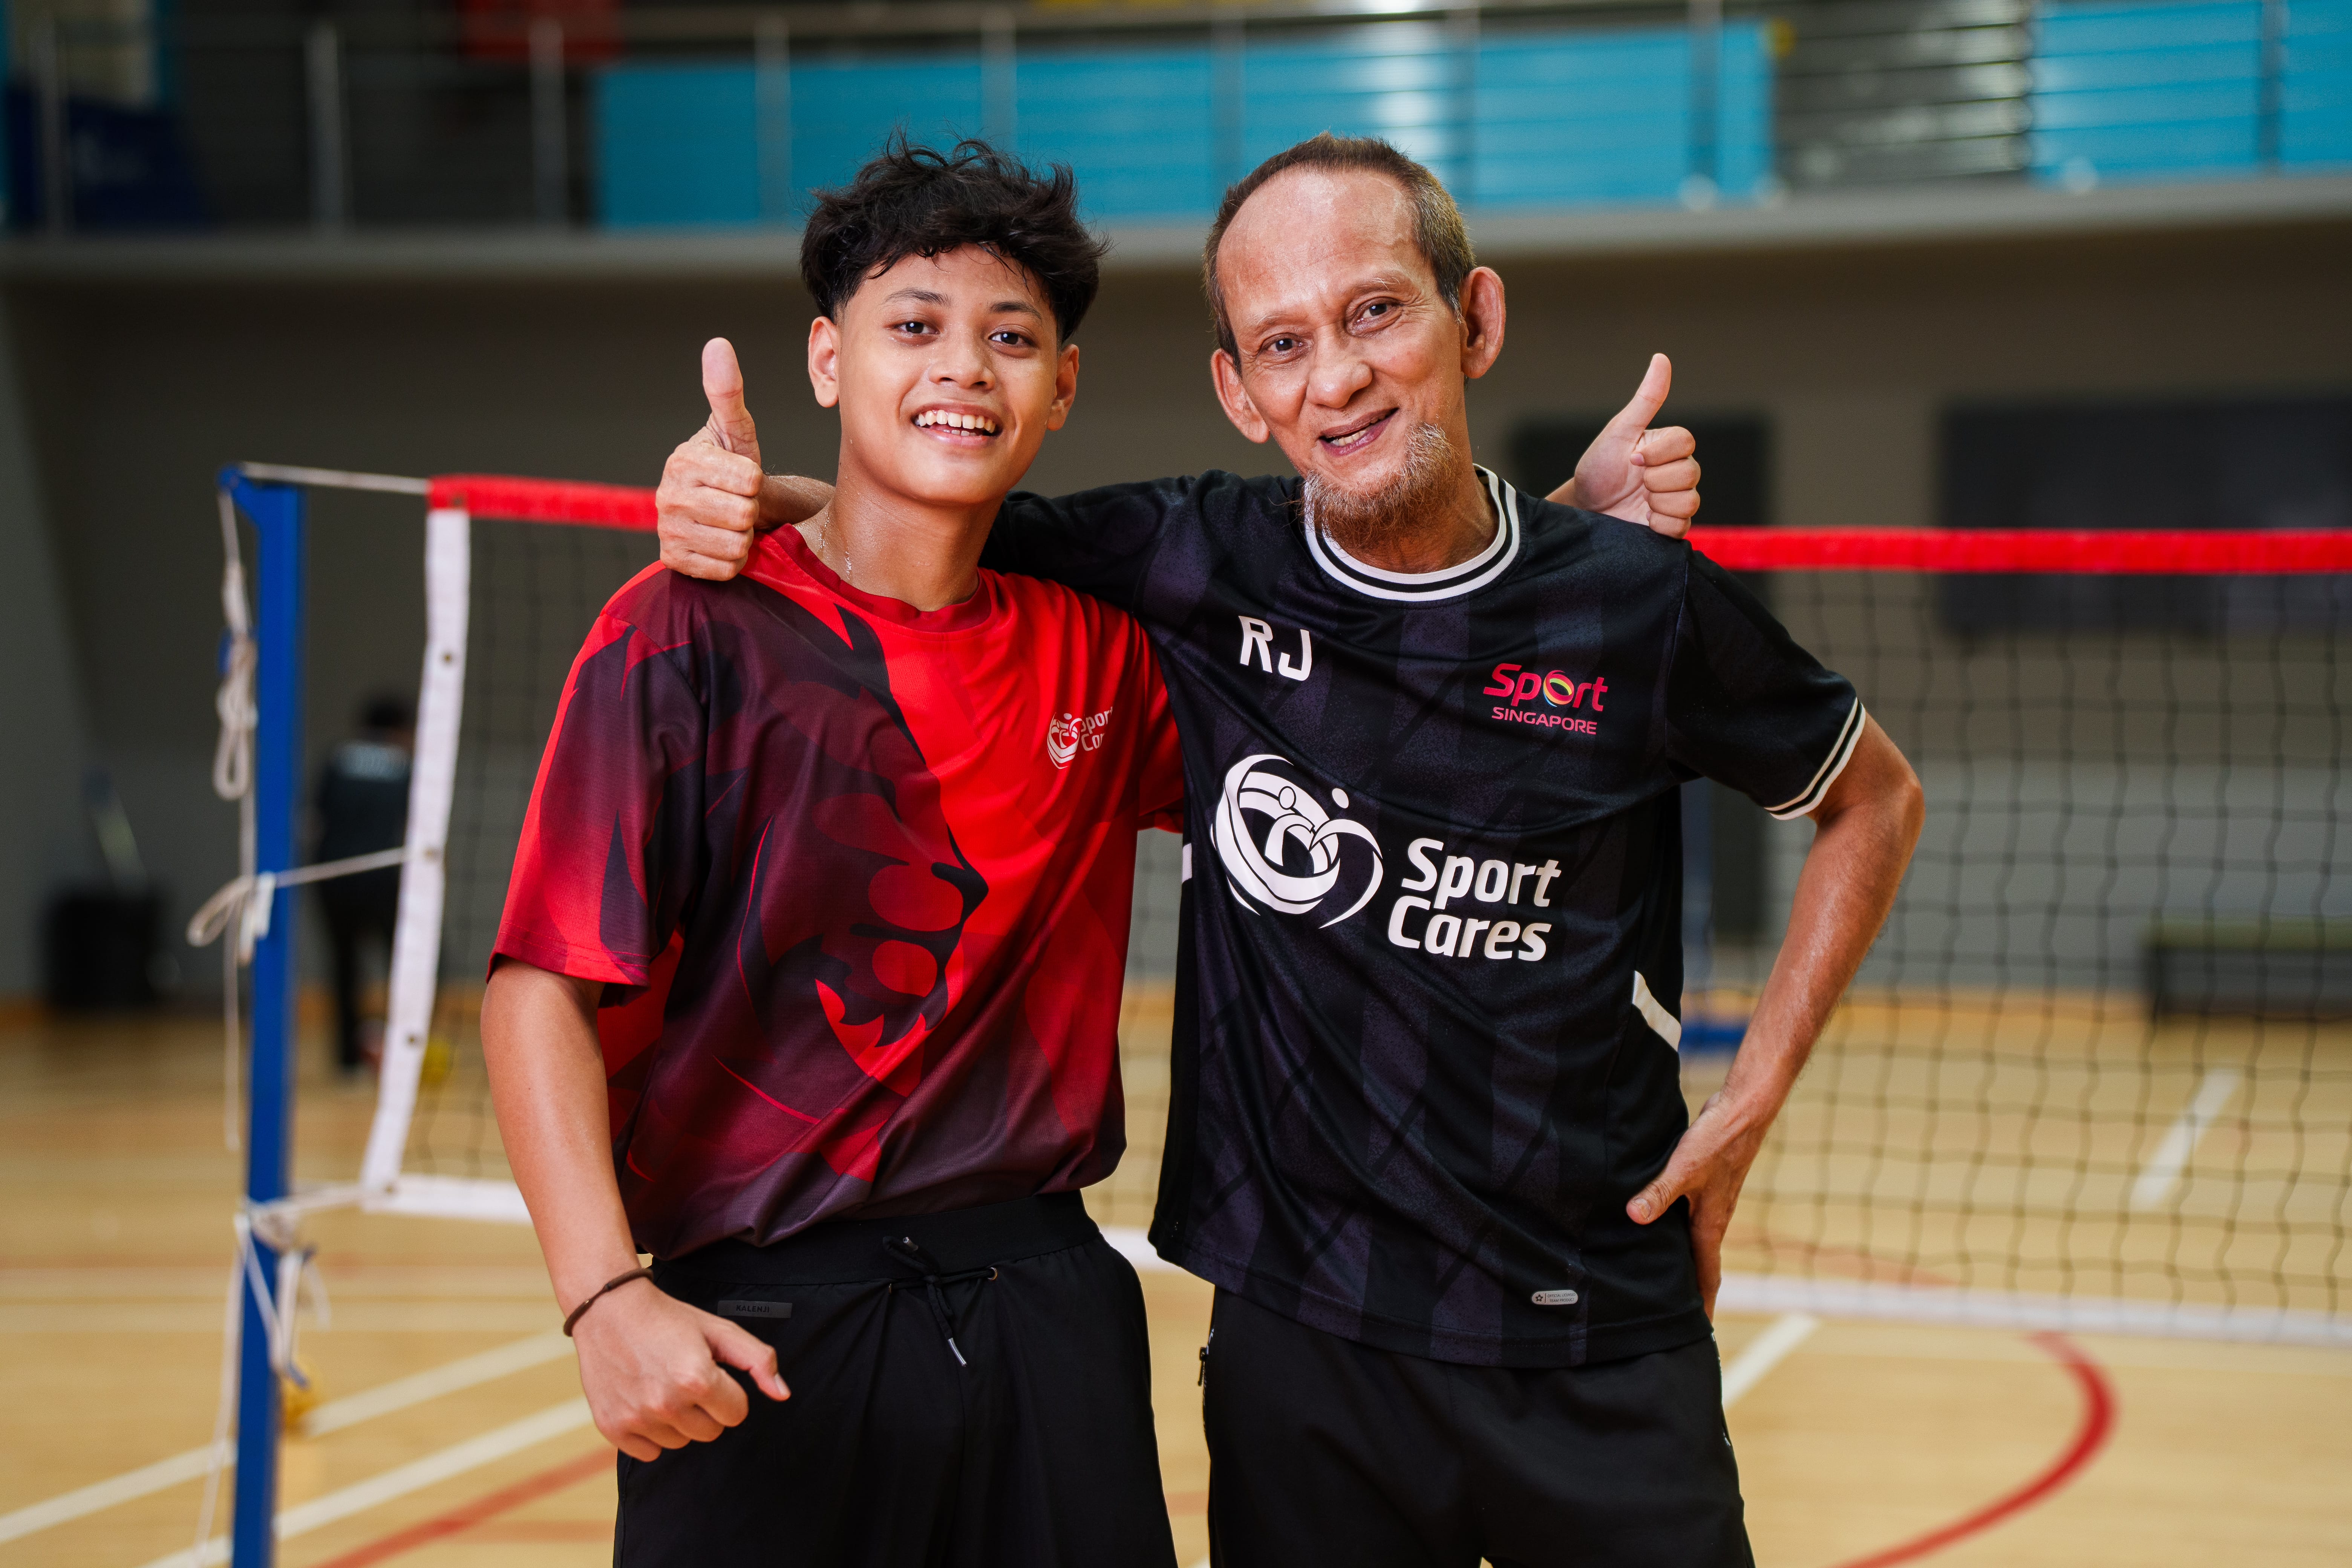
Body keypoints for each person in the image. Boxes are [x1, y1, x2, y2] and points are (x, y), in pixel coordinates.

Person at [658, 133, 1924, 1568]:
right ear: (1237, 390)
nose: (1335, 376)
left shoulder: (1638, 607)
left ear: (1478, 319)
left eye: (1377, 311)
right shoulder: (1198, 564)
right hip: (1303, 1345)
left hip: (1596, 1331)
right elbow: (919, 536)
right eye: (1282, 342)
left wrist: (1753, 1090)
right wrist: (736, 500)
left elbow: (1872, 800)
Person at [314, 692, 413, 1074]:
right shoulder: (402, 763)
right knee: (411, 963)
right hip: (384, 878)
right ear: (399, 727)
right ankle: (402, 1051)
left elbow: (316, 818)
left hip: (333, 877)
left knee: (344, 967)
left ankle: (348, 1061)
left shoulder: (337, 758)